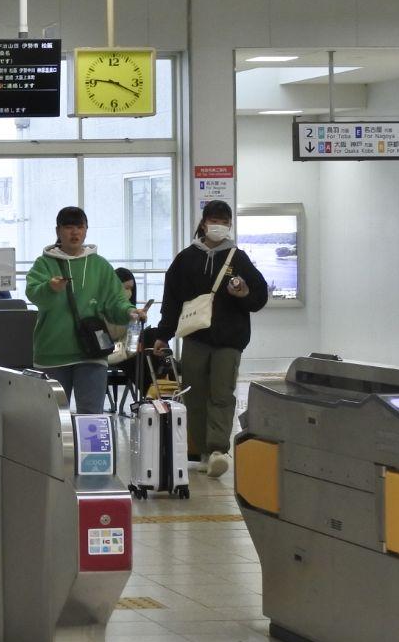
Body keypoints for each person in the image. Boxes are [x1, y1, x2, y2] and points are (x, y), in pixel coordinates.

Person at [151, 199, 270, 478]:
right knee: (194, 394)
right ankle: (201, 450)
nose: (219, 226)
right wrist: (162, 335)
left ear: (230, 224)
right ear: (203, 223)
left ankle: (218, 449)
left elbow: (258, 297)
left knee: (222, 393)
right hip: (194, 337)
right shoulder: (186, 258)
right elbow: (172, 300)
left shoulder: (238, 258)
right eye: (214, 220)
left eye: (225, 221)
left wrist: (243, 294)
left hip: (230, 340)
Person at [25, 206, 138, 414]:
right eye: (68, 227)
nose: (74, 232)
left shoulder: (99, 265)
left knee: (92, 415)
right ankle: (56, 449)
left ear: (86, 230)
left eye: (79, 226)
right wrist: (50, 288)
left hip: (91, 352)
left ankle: (89, 449)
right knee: (51, 416)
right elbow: (33, 293)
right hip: (53, 353)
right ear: (58, 231)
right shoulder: (44, 264)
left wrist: (129, 312)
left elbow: (115, 300)